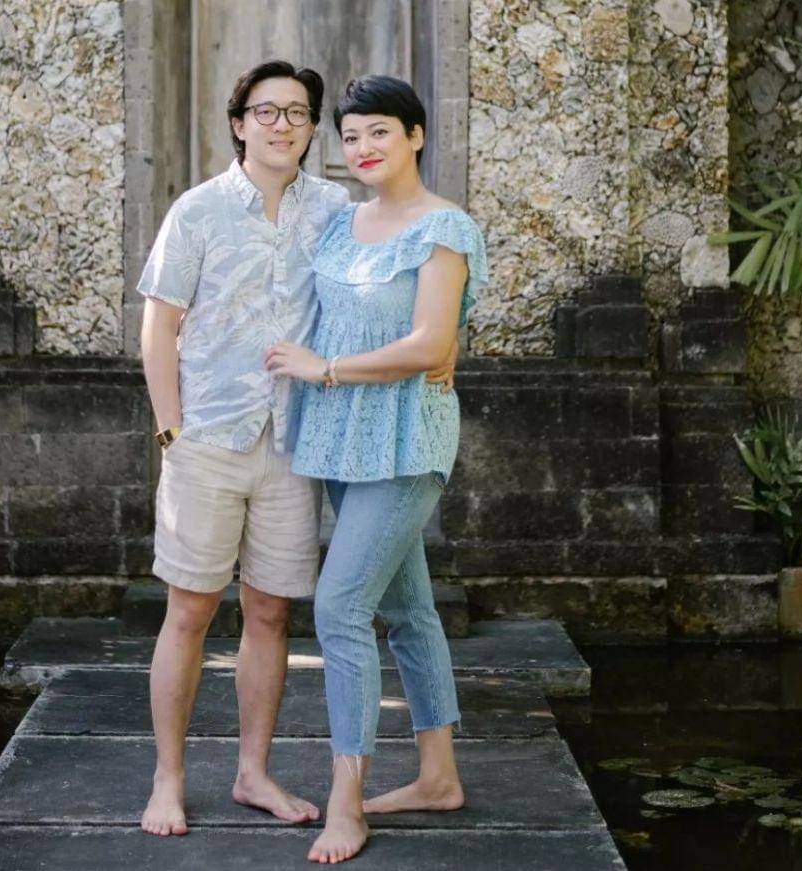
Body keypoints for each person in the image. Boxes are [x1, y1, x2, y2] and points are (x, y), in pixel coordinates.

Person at [135, 60, 456, 838]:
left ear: (313, 130)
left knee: (271, 610)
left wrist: (440, 346)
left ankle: (254, 773)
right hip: (209, 436)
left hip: (294, 441)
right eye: (266, 111)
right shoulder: (197, 211)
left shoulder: (337, 211)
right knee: (189, 610)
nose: (283, 124)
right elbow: (159, 323)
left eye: (298, 113)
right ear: (239, 122)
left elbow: (394, 279)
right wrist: (170, 429)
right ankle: (168, 779)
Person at [264, 74, 488, 864]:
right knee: (411, 609)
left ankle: (346, 799)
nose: (362, 147)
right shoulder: (338, 221)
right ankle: (438, 777)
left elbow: (430, 343)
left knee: (340, 606)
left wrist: (324, 368)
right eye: (351, 135)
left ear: (416, 135)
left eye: (379, 132)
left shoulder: (445, 228)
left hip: (404, 442)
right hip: (337, 440)